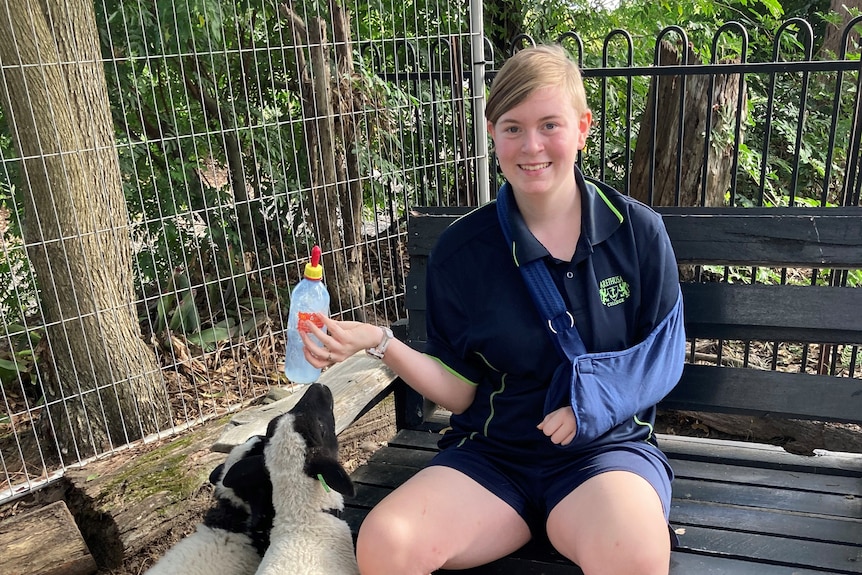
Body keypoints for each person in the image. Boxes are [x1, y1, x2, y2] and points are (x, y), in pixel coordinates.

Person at [299, 44, 686, 575]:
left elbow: (664, 355)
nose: (531, 146)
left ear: (582, 127)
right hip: (494, 457)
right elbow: (461, 389)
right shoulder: (462, 251)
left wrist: (589, 406)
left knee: (634, 555)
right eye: (512, 127)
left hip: (604, 456)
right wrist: (379, 342)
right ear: (491, 132)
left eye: (550, 124)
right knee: (386, 544)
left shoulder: (637, 232)